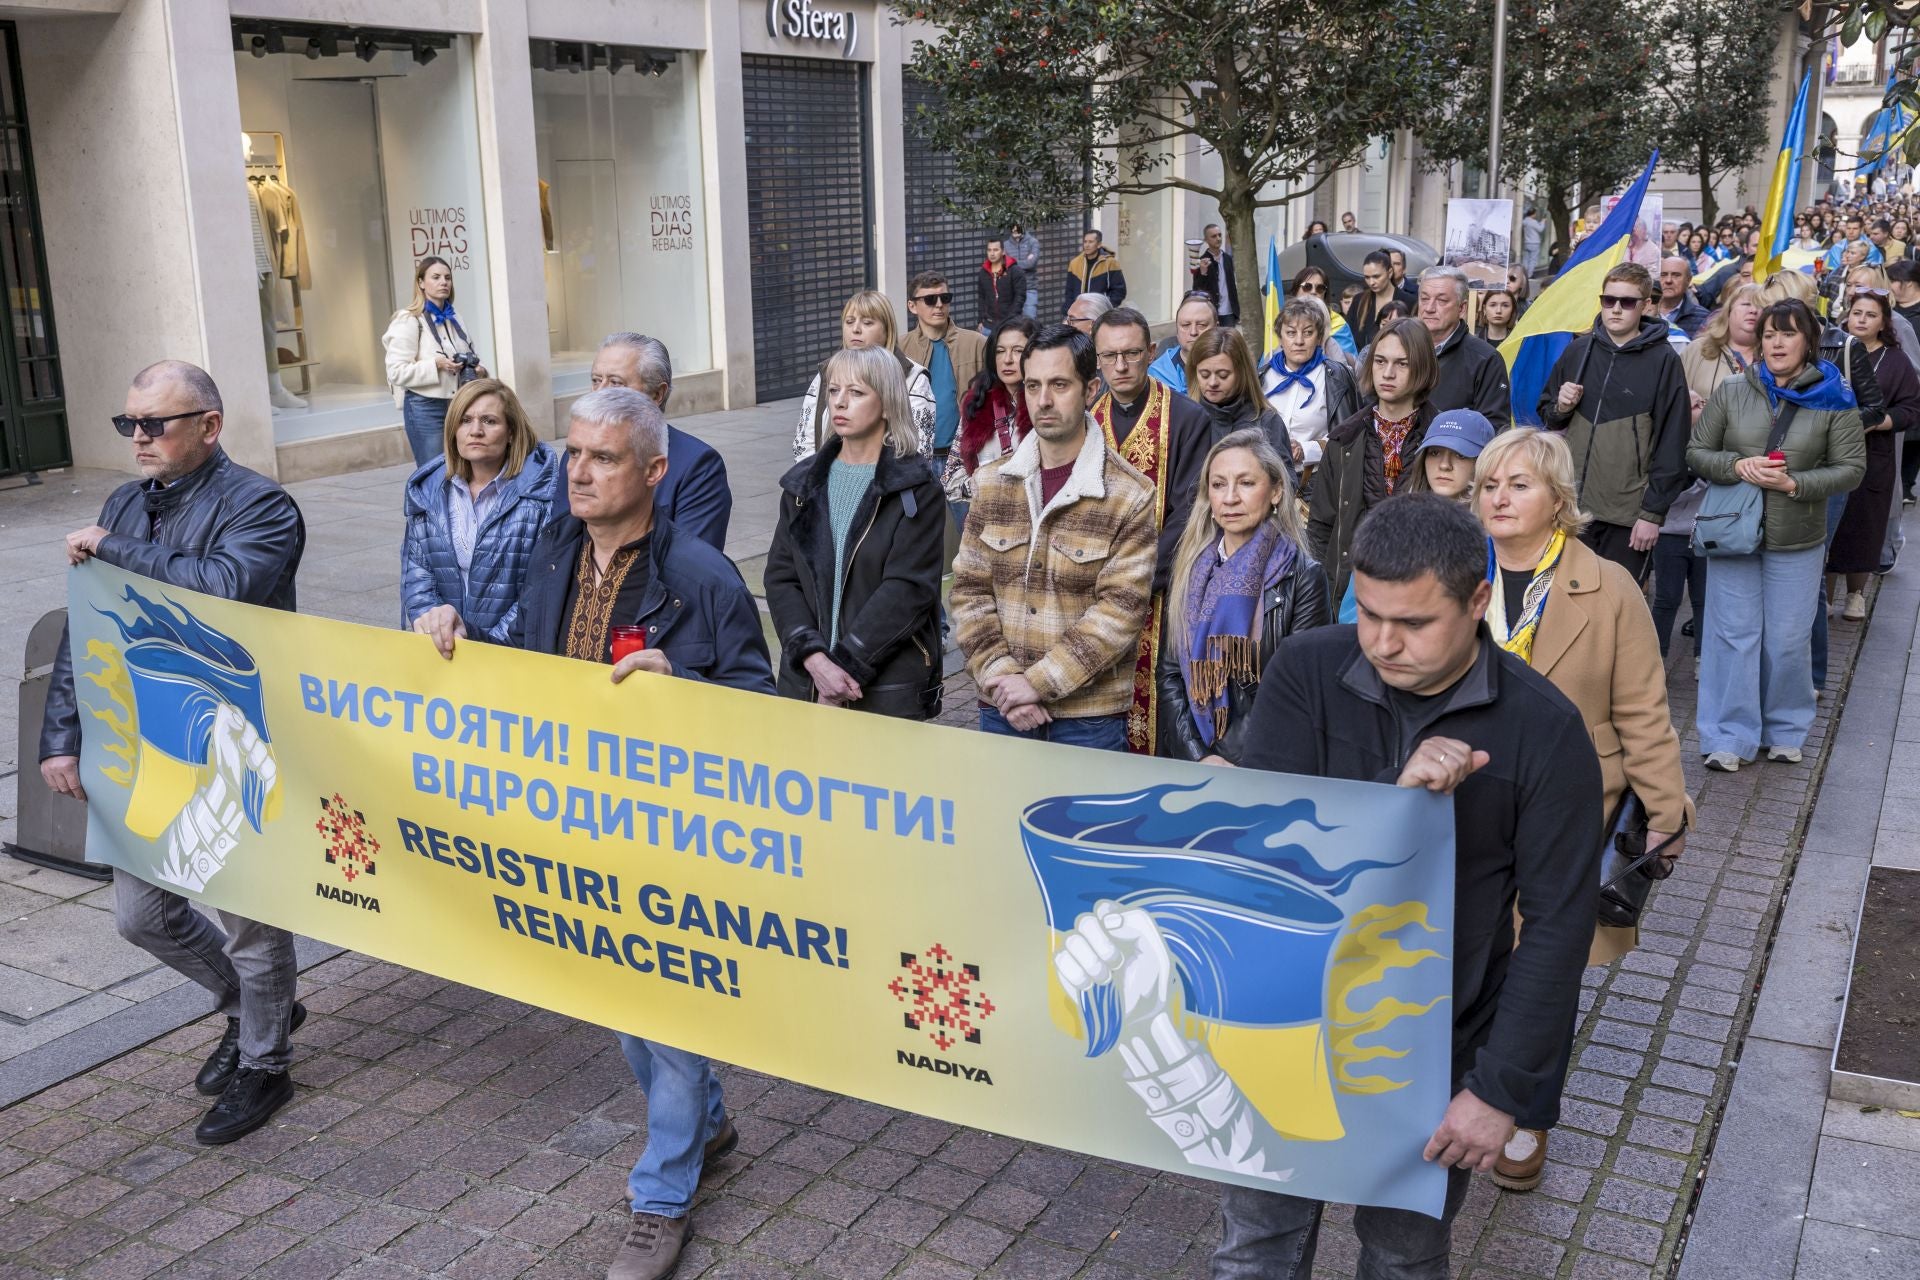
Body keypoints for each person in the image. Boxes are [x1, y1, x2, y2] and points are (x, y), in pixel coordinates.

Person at [416, 387, 772, 1280]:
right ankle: (709, 1125)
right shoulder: (550, 552)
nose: (578, 471)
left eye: (603, 457)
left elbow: (766, 711)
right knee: (623, 1006)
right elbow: (528, 659)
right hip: (577, 822)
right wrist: (456, 630)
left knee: (669, 1005)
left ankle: (662, 1195)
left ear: (653, 471)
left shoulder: (701, 575)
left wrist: (682, 682)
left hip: (672, 835)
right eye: (573, 453)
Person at [1217, 495, 1603, 1280]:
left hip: (1434, 1048)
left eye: (1416, 624)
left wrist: (1500, 1091)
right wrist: (1399, 805)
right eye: (1369, 614)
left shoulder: (1546, 729)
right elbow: (1270, 863)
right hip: (1290, 1026)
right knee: (1256, 1244)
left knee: (1402, 1255)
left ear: (1478, 602)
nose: (1385, 644)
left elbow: (1559, 925)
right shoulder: (1306, 670)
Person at [40, 360, 307, 1146]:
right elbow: (89, 625)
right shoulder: (125, 503)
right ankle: (256, 1008)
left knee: (253, 923)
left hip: (235, 738)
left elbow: (223, 586)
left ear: (210, 426)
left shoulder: (262, 504)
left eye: (155, 423)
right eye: (129, 424)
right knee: (141, 916)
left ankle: (267, 1063)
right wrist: (61, 735)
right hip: (143, 742)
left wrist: (116, 550)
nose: (138, 439)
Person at [1471, 428, 1690, 1193]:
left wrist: (1665, 811)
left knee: (1545, 967)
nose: (1499, 496)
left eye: (1519, 484)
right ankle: (1464, 1089)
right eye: (1491, 483)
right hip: (1461, 805)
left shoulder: (1608, 586)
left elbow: (1642, 708)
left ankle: (1525, 1116)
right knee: (1469, 956)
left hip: (1569, 807)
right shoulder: (1454, 571)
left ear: (1558, 500)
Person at [949, 324, 1157, 748]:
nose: (1043, 400)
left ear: (1091, 388)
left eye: (1059, 384)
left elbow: (1119, 612)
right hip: (1003, 707)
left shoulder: (1129, 494)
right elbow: (969, 590)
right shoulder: (991, 482)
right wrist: (1003, 675)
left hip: (1088, 719)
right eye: (1033, 385)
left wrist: (1038, 683)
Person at [1687, 299, 1865, 772]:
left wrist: (1796, 484)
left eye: (1788, 334)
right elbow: (1698, 452)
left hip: (1798, 536)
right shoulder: (1732, 390)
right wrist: (1735, 465)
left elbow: (1851, 469)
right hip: (1734, 533)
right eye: (1769, 334)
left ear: (1809, 341)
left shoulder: (1835, 396)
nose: (1777, 343)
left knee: (1787, 639)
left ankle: (1784, 729)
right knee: (1733, 636)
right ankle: (1728, 735)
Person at [765, 347, 946, 719]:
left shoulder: (915, 487)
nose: (840, 403)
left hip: (883, 688)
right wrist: (813, 659)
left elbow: (907, 590)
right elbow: (782, 579)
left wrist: (844, 669)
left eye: (857, 392)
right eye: (834, 391)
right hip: (806, 683)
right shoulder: (803, 484)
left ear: (887, 403)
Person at [1155, 428, 1328, 763]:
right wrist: (1198, 756)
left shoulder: (1304, 576)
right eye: (1218, 484)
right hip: (1193, 760)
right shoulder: (1192, 569)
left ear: (1277, 491)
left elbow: (1296, 690)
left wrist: (1224, 757)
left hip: (1267, 761)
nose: (1230, 498)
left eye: (1246, 483)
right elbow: (1171, 673)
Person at [1092, 307, 1212, 750]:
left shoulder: (1188, 419)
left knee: (1158, 711)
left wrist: (1137, 577)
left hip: (1159, 589)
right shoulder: (1085, 421)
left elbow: (1191, 510)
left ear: (1152, 353)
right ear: (1098, 361)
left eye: (1131, 354)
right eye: (1110, 356)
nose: (1120, 366)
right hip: (1092, 591)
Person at [1539, 262, 1692, 578]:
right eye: (1609, 300)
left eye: (1627, 302)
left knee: (1617, 609)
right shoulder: (1578, 350)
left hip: (1627, 516)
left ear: (1646, 305)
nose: (1616, 309)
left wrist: (1652, 513)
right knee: (1564, 603)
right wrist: (1561, 406)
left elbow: (1672, 442)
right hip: (1571, 508)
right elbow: (1548, 418)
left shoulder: (1664, 361)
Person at [401, 378, 557, 639]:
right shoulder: (428, 492)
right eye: (465, 420)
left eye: (489, 421)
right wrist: (436, 627)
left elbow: (538, 590)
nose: (475, 431)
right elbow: (417, 573)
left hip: (510, 653)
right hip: (443, 647)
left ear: (511, 433)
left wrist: (484, 643)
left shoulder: (540, 497)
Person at [1310, 318, 1438, 603]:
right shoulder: (1344, 440)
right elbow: (1321, 525)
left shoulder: (1441, 441)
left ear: (1422, 367)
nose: (1388, 373)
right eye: (1380, 361)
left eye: (1401, 364)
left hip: (1422, 589)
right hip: (1351, 591)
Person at [583, 333, 730, 550]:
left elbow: (693, 568)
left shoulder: (698, 467)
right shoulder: (578, 455)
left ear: (657, 394)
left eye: (615, 382)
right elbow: (559, 550)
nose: (600, 394)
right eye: (596, 381)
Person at [1828, 288, 1919, 618]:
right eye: (1856, 313)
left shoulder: (1895, 360)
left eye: (1870, 315)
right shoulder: (1831, 350)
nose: (1861, 320)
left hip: (1872, 456)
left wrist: (1876, 423)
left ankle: (1856, 594)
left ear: (1883, 322)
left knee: (1863, 526)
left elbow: (1911, 409)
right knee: (1828, 525)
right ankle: (1824, 595)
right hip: (1828, 453)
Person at [794, 291, 936, 461]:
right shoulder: (826, 372)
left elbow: (919, 451)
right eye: (849, 322)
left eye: (867, 322)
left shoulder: (913, 377)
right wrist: (815, 479)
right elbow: (805, 443)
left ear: (887, 329)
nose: (856, 329)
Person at [383, 255, 486, 468]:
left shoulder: (454, 317)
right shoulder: (409, 319)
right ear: (421, 283)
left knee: (460, 471)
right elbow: (396, 372)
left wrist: (478, 370)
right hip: (425, 407)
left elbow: (468, 355)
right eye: (436, 277)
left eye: (447, 277)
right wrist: (436, 365)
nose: (443, 282)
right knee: (434, 473)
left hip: (459, 405)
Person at [1263, 296, 1362, 472]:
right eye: (1291, 333)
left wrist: (1305, 450)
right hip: (1266, 477)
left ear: (1319, 338)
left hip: (1313, 483)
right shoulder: (1262, 376)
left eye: (1308, 333)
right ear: (1280, 337)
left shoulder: (1336, 376)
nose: (1299, 341)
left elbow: (1350, 437)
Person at [900, 272, 988, 468]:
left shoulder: (977, 343)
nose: (939, 304)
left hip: (965, 457)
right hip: (916, 459)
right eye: (930, 299)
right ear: (912, 306)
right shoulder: (899, 348)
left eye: (945, 298)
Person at [948, 315, 1038, 502]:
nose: (1007, 359)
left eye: (1018, 350)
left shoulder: (1047, 405)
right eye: (1000, 351)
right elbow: (950, 476)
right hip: (988, 521)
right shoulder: (977, 403)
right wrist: (985, 484)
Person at [1419, 266, 1513, 428]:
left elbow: (1494, 427)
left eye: (1441, 300)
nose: (1429, 308)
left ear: (1462, 308)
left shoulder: (1485, 359)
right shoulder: (1402, 348)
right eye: (1424, 299)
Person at [1187, 326, 1290, 459]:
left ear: (1242, 373)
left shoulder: (1268, 422)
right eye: (1204, 374)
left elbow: (1285, 478)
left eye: (1223, 375)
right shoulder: (1186, 419)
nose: (1212, 382)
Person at [1399, 408, 1494, 499]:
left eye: (1460, 455)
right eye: (1435, 453)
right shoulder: (1401, 513)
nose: (1444, 465)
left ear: (1483, 462)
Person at [1148, 292, 1219, 394]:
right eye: (1186, 325)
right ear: (1177, 329)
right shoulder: (1157, 373)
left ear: (1216, 328)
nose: (1193, 332)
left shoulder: (1234, 365)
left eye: (1202, 325)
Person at [1289, 268, 1357, 362]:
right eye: (1307, 286)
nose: (1313, 292)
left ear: (1325, 294)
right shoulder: (1283, 320)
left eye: (1320, 288)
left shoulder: (1337, 323)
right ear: (1296, 290)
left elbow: (1348, 367)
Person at [1063, 228, 1127, 315]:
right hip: (1079, 313)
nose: (1087, 245)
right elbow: (1069, 291)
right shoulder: (1074, 263)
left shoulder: (1110, 263)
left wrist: (1107, 308)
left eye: (1090, 242)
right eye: (1085, 242)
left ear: (1099, 244)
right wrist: (1068, 311)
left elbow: (1119, 290)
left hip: (1100, 313)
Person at [1346, 249, 1400, 350]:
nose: (1371, 282)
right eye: (1367, 277)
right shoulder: (1359, 301)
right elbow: (1349, 337)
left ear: (1390, 273)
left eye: (1376, 276)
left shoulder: (1409, 301)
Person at [1190, 222, 1239, 328]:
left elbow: (1232, 285)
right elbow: (1197, 289)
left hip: (1229, 312)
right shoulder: (1201, 261)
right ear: (1206, 240)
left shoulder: (1228, 259)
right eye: (1213, 236)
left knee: (1228, 343)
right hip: (1211, 311)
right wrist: (1203, 272)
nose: (1218, 238)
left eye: (1219, 235)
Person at [976, 236, 1028, 334]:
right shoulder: (983, 273)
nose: (992, 253)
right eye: (989, 250)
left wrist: (1010, 320)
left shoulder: (1015, 271)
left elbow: (1020, 297)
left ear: (1003, 251)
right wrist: (980, 320)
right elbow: (981, 298)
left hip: (1010, 325)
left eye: (995, 250)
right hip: (988, 326)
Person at [1658, 256, 1710, 337]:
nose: (1668, 280)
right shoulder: (1641, 312)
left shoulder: (1704, 319)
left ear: (1688, 280)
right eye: (1663, 275)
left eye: (1676, 275)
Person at [1006, 221, 1042, 319]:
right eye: (1012, 226)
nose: (1015, 229)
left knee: (1029, 321)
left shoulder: (1033, 242)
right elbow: (1005, 266)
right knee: (1012, 322)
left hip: (1029, 288)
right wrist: (1025, 261)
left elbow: (1031, 264)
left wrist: (1012, 262)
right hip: (1011, 290)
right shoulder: (1005, 245)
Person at [1521, 206, 1546, 276]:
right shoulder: (1533, 222)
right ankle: (1529, 275)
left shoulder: (1524, 221)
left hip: (1527, 243)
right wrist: (1543, 222)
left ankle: (1523, 274)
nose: (1536, 215)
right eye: (1535, 213)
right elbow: (1540, 229)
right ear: (1533, 214)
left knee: (1525, 260)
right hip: (1534, 243)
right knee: (1532, 260)